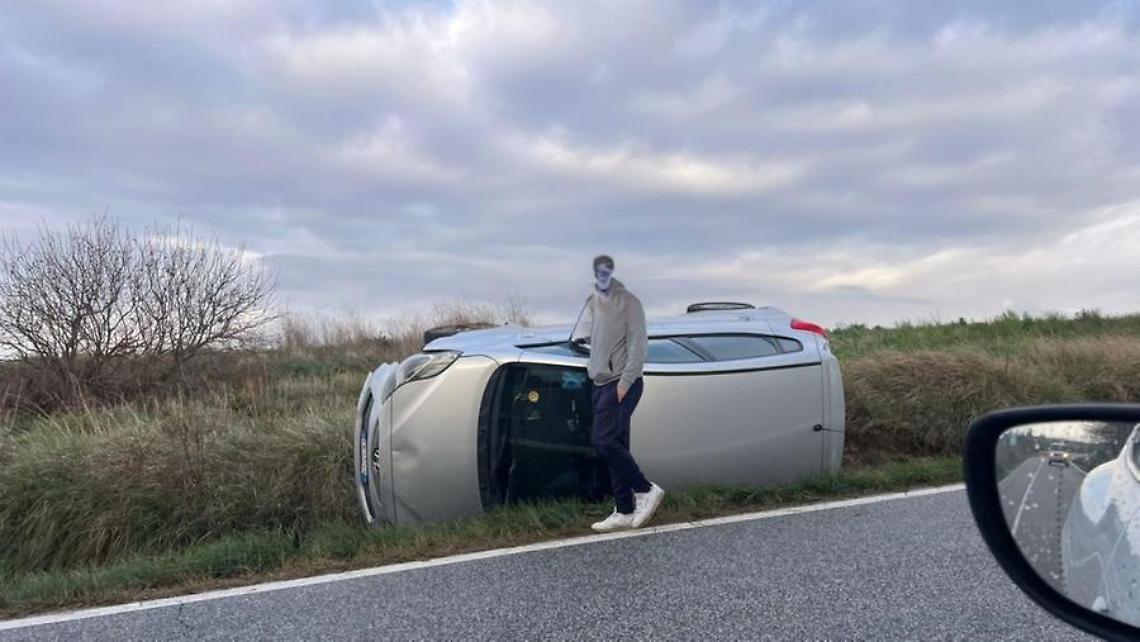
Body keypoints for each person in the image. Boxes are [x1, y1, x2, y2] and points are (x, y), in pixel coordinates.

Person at [576, 254, 665, 532]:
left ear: (611, 272)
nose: (601, 275)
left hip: (620, 383)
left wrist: (625, 383)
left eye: (606, 270)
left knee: (603, 442)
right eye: (597, 271)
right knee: (616, 444)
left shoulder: (629, 302)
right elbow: (585, 337)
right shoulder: (592, 301)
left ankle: (645, 489)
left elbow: (638, 345)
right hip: (599, 382)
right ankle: (624, 509)